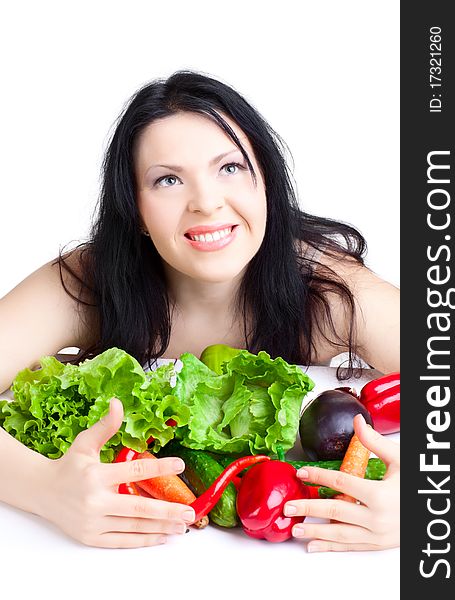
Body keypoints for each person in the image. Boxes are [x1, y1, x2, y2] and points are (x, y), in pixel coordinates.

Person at [0, 71, 399, 551]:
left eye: (229, 168)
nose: (207, 203)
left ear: (266, 182)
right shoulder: (90, 281)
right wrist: (44, 490)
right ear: (137, 212)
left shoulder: (328, 289)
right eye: (167, 179)